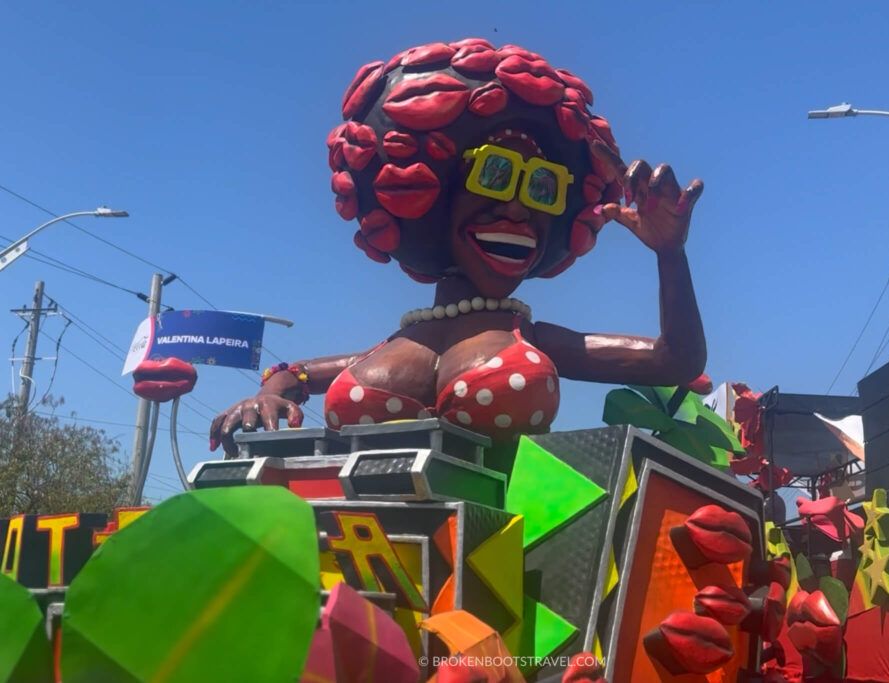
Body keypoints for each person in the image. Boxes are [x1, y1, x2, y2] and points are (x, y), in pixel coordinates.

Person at [210, 39, 706, 457]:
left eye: (542, 189)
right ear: (438, 192)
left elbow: (675, 361)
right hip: (361, 552)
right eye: (496, 175)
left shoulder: (528, 338)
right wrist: (266, 396)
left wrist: (670, 254)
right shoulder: (397, 345)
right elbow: (292, 372)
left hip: (502, 557)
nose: (517, 209)